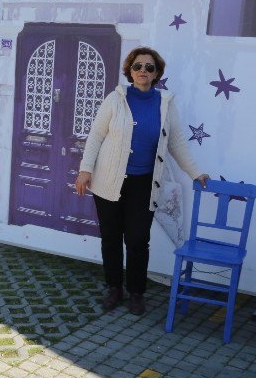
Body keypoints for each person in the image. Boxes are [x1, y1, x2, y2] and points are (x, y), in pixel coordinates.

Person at [75, 47, 208, 316]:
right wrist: (85, 169)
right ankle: (114, 287)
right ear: (129, 70)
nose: (143, 71)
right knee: (111, 239)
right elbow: (96, 136)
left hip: (144, 184)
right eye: (138, 67)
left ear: (157, 72)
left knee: (137, 240)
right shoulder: (115, 99)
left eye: (149, 67)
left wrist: (196, 172)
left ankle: (136, 292)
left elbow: (177, 143)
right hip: (108, 182)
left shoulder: (165, 103)